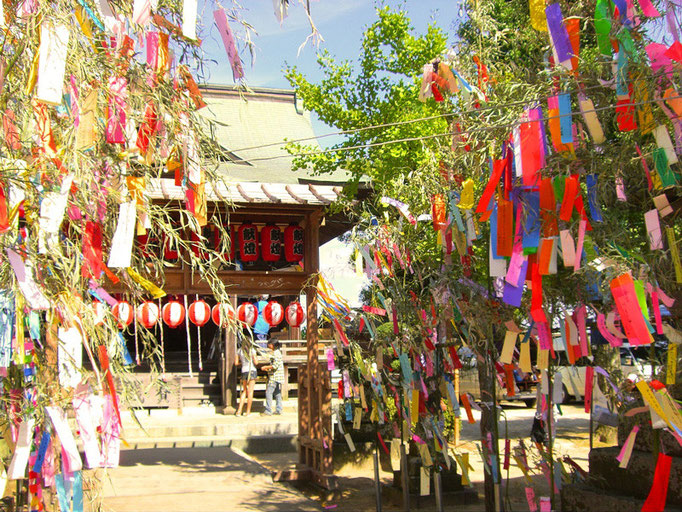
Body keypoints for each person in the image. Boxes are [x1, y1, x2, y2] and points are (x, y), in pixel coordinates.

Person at [261, 339, 283, 416]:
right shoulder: (276, 353)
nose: (268, 345)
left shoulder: (276, 353)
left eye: (269, 344)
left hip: (275, 376)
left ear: (273, 345)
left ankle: (268, 410)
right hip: (276, 376)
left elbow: (275, 366)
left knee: (269, 392)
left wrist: (266, 367)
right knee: (277, 393)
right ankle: (279, 409)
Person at [236, 341, 257, 416]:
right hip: (252, 370)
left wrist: (242, 363)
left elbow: (236, 363)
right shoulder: (252, 350)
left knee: (244, 391)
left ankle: (239, 411)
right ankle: (248, 411)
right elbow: (256, 362)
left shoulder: (239, 351)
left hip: (244, 370)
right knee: (250, 392)